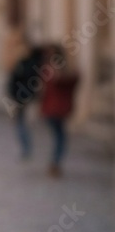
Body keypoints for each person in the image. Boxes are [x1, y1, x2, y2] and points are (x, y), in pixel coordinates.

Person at [39, 44, 79, 177]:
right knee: (59, 137)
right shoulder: (52, 71)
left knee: (59, 137)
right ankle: (55, 163)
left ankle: (55, 163)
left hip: (56, 109)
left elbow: (72, 80)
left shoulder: (53, 71)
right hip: (55, 110)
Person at [7, 45, 43, 159]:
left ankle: (26, 147)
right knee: (23, 123)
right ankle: (26, 147)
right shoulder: (35, 65)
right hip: (24, 98)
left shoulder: (25, 64)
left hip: (22, 98)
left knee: (22, 123)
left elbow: (14, 80)